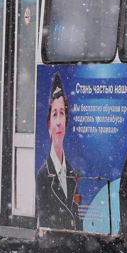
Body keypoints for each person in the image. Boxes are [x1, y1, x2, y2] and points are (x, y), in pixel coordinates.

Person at [36, 74, 81, 230]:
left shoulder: (71, 172)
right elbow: (44, 224)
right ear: (49, 125)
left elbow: (77, 219)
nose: (59, 122)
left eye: (62, 113)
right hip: (56, 248)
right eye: (54, 114)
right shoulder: (43, 174)